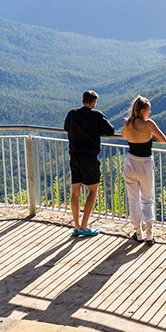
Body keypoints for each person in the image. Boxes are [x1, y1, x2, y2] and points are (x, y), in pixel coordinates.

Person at [63, 90, 116, 237]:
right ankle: (85, 226)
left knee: (75, 192)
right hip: (89, 158)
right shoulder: (96, 115)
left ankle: (76, 225)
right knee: (93, 191)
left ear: (82, 101)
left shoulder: (72, 114)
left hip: (74, 156)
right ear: (94, 102)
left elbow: (66, 128)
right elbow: (110, 131)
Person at [121, 95, 166, 244]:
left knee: (133, 200)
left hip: (130, 162)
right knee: (147, 199)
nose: (150, 112)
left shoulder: (127, 122)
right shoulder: (148, 124)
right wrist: (150, 136)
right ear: (142, 111)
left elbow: (124, 136)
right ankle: (149, 233)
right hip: (145, 164)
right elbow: (163, 139)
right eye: (148, 110)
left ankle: (138, 233)